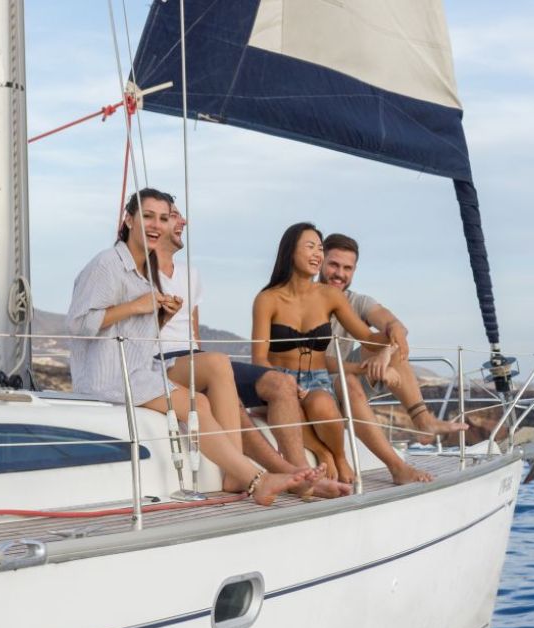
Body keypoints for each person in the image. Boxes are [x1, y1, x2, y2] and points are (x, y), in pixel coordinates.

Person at [65, 188, 316, 505]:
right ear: (128, 220)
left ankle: (244, 475)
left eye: (162, 218)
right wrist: (137, 306)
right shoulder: (107, 265)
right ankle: (255, 478)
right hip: (110, 376)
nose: (156, 225)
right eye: (147, 216)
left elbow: (135, 332)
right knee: (194, 404)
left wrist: (160, 317)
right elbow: (78, 324)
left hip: (137, 368)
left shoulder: (146, 270)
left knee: (199, 401)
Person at [157, 205, 350, 498]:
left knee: (279, 382)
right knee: (226, 381)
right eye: (172, 216)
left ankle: (299, 471)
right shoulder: (137, 271)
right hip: (163, 363)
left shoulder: (189, 274)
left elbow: (193, 336)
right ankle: (293, 475)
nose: (183, 221)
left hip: (197, 360)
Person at [252, 222, 432, 485]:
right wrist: (279, 383)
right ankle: (323, 451)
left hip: (318, 379)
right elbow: (259, 358)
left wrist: (393, 330)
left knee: (323, 405)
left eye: (320, 248)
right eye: (310, 247)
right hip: (280, 378)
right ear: (291, 251)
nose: (317, 254)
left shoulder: (330, 297)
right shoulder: (267, 298)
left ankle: (339, 455)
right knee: (289, 406)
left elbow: (368, 338)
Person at [320, 233, 468, 444]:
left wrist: (385, 354)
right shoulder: (306, 299)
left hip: (344, 375)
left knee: (393, 346)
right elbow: (311, 362)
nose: (339, 274)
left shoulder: (356, 301)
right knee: (354, 375)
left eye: (347, 268)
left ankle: (423, 421)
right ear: (320, 262)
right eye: (333, 265)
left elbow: (397, 328)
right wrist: (373, 367)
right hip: (318, 381)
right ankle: (393, 459)